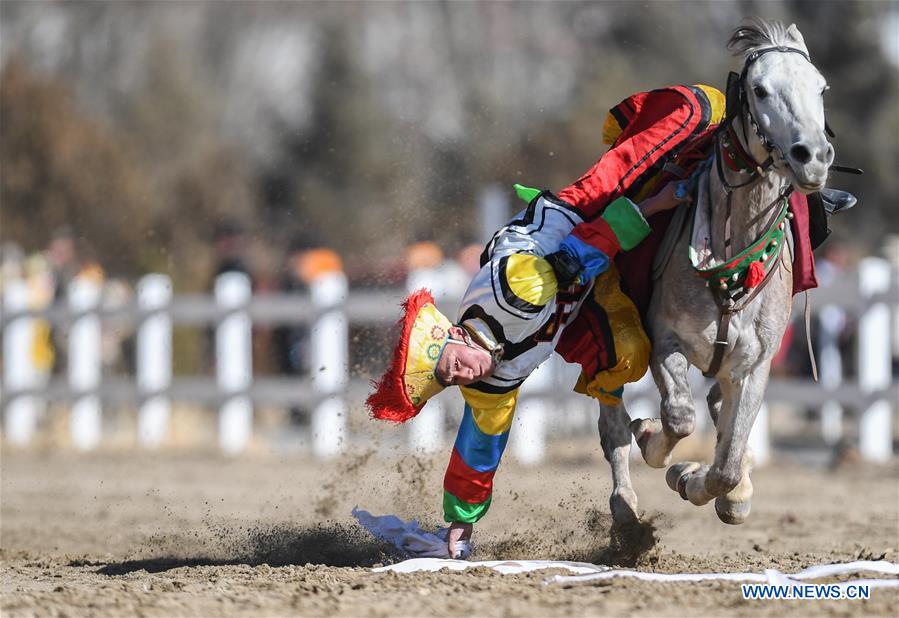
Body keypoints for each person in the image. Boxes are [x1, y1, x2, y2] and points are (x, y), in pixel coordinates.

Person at [367, 178, 690, 558]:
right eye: (451, 381)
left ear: (457, 335)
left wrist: (655, 203)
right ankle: (622, 424)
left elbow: (586, 246)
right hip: (569, 300)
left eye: (454, 365)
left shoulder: (516, 293)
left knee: (644, 154)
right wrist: (460, 527)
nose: (465, 376)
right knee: (629, 353)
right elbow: (478, 447)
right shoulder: (488, 385)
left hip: (572, 224)